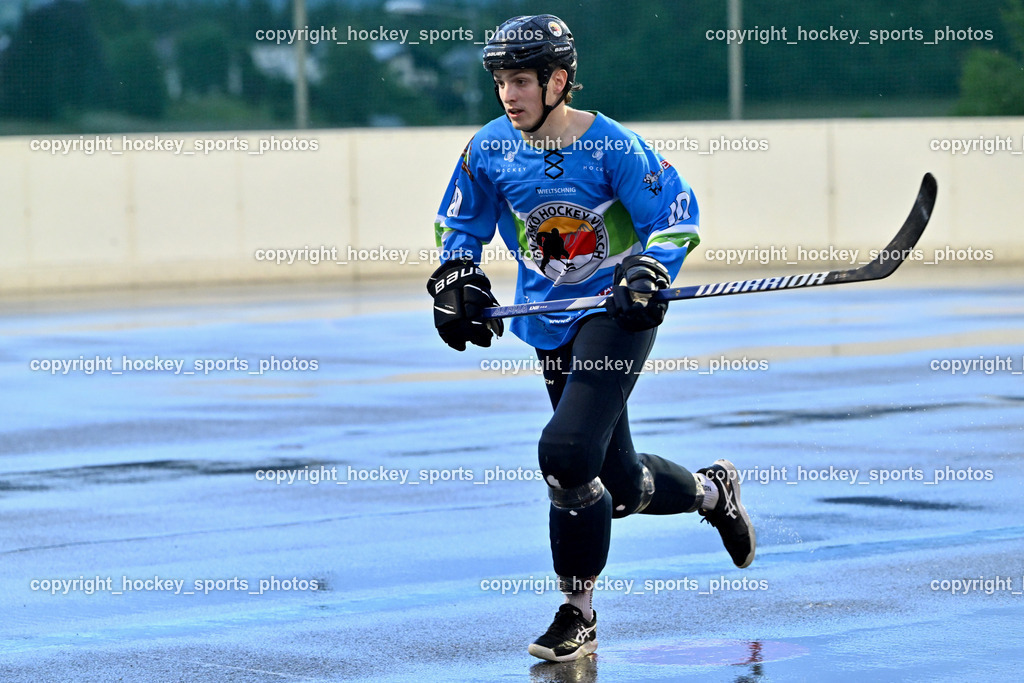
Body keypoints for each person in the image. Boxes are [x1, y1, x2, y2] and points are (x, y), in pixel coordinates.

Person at [426, 14, 755, 662]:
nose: (509, 95)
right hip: (547, 316)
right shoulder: (488, 148)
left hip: (616, 312)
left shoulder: (612, 146)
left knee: (567, 450)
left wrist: (649, 268)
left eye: (522, 80)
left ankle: (578, 614)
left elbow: (677, 216)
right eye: (501, 82)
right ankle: (714, 492)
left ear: (559, 80)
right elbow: (457, 224)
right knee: (619, 485)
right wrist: (456, 277)